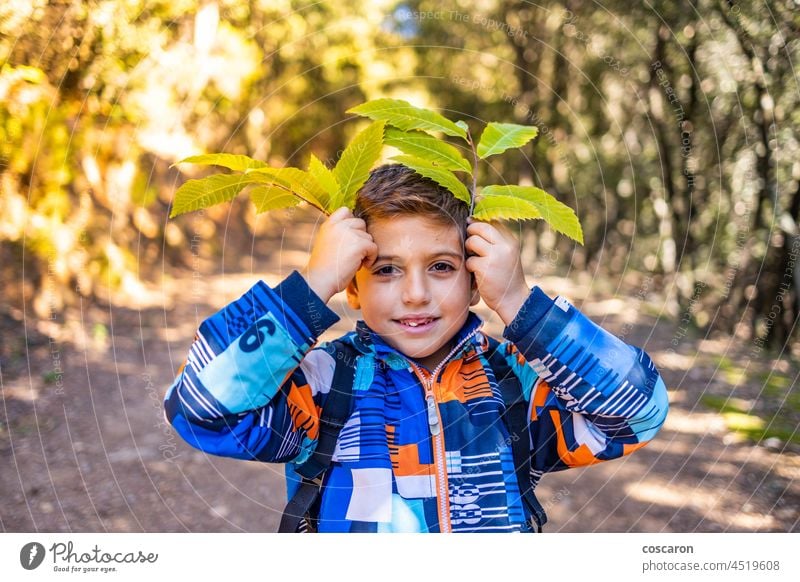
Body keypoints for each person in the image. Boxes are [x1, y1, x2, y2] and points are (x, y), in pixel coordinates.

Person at [164, 164, 669, 533]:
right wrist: (310, 285)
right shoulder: (320, 386)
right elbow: (201, 409)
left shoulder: (515, 384)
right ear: (353, 285)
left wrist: (521, 305)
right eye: (386, 269)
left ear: (476, 281)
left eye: (442, 267)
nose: (415, 293)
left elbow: (639, 413)